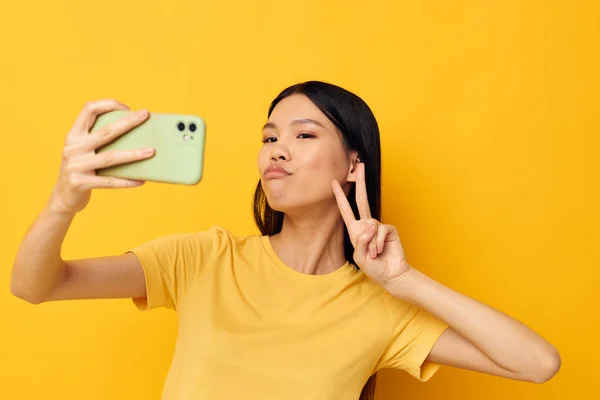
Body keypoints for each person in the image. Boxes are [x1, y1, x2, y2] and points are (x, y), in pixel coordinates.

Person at [11, 81, 561, 400]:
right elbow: (36, 286)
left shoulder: (382, 307)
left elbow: (537, 363)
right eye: (270, 136)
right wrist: (65, 198)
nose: (277, 149)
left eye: (303, 135)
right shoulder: (206, 257)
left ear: (353, 165)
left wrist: (403, 280)